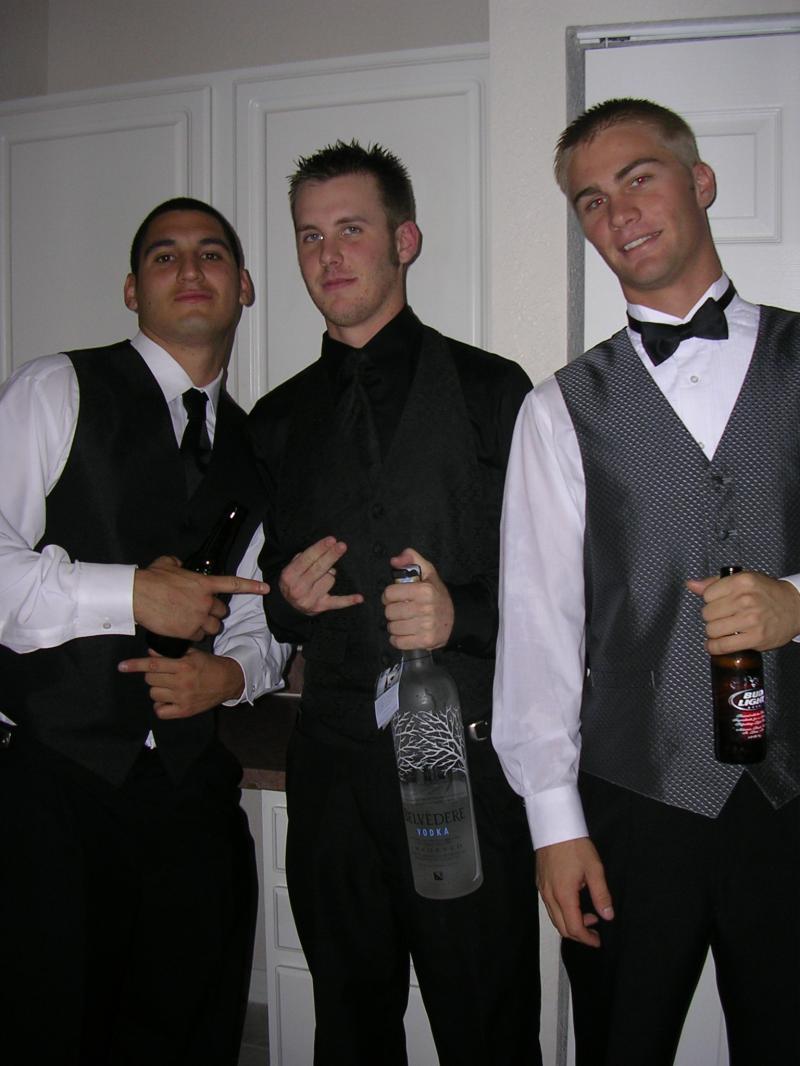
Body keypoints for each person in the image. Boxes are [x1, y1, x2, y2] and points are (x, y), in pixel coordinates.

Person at [493, 97, 800, 1066]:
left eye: (638, 179)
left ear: (699, 182)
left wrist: (798, 602)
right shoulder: (556, 410)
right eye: (591, 200)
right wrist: (552, 824)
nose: (617, 213)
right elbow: (536, 626)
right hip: (631, 799)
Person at [247, 141, 541, 1066]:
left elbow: (556, 589)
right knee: (349, 1027)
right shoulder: (274, 421)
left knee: (487, 1027)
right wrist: (288, 606)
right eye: (309, 236)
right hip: (330, 772)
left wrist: (464, 616)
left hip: (464, 760)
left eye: (351, 229)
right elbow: (262, 603)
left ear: (404, 240)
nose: (328, 255)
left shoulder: (496, 392)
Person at [0, 197, 288, 1065]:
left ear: (244, 286)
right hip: (52, 785)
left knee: (190, 1025)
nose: (190, 269)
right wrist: (132, 594)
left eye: (211, 254)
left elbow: (258, 611)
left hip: (189, 794)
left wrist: (233, 675)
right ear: (132, 290)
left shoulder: (257, 447)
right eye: (165, 256)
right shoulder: (55, 389)